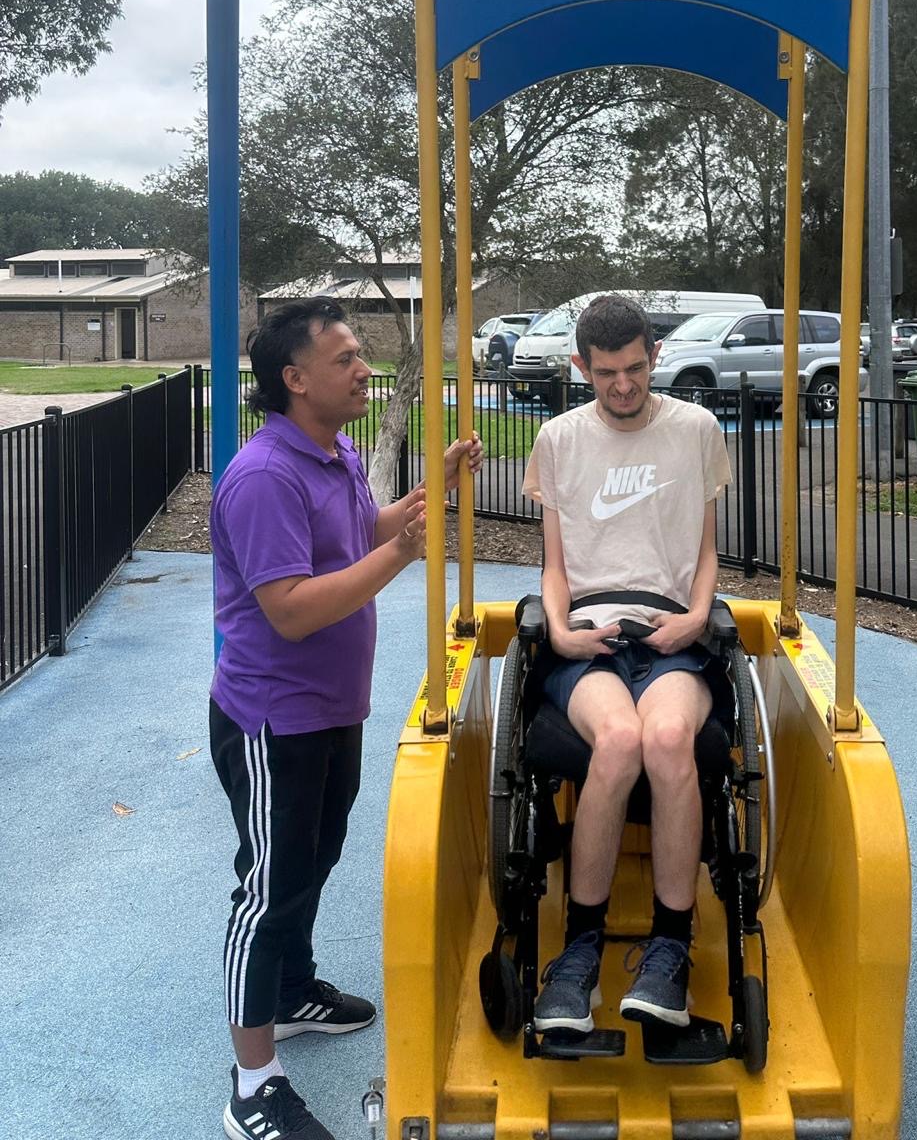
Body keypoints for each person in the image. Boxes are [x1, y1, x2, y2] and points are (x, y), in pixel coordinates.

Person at [209, 297, 481, 1140]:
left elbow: (352, 534)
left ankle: (290, 991)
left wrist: (421, 499)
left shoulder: (335, 453)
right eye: (346, 358)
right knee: (268, 888)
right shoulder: (263, 476)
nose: (365, 369)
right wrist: (401, 555)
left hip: (331, 709)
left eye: (361, 355)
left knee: (313, 858)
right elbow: (289, 607)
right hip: (271, 719)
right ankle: (252, 1081)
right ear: (295, 380)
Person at [521, 294, 732, 1036]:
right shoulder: (557, 439)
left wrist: (699, 616)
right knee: (618, 740)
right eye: (606, 373)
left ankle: (671, 950)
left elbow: (706, 551)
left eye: (636, 369)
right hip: (589, 632)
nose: (622, 386)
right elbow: (553, 565)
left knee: (668, 738)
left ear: (655, 357)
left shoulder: (697, 430)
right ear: (581, 366)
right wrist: (558, 629)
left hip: (670, 626)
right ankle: (580, 950)